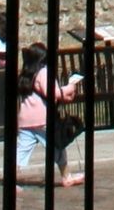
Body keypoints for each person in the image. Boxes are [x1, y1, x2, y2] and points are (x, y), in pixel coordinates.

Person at [16, 40, 83, 185]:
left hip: (25, 120)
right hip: (42, 119)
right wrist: (70, 87)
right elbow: (53, 93)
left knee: (20, 152)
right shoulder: (43, 72)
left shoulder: (27, 74)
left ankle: (12, 181)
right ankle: (66, 177)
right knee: (58, 147)